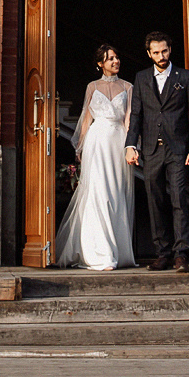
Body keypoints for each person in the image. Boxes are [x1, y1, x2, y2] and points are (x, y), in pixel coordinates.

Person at [125, 31, 189, 273]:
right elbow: (136, 114)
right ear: (149, 54)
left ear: (170, 50)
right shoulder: (141, 78)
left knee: (179, 199)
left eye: (165, 51)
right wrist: (130, 145)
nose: (161, 56)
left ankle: (181, 255)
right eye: (156, 52)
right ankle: (162, 254)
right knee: (155, 200)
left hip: (179, 150)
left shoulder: (186, 77)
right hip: (150, 149)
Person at [55, 44, 136, 271]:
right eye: (110, 58)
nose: (115, 61)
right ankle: (99, 253)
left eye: (117, 57)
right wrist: (79, 148)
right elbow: (86, 116)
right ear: (100, 63)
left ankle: (117, 250)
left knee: (116, 194)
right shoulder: (92, 86)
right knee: (98, 193)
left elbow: (129, 119)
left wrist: (132, 146)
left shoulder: (128, 87)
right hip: (97, 141)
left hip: (118, 141)